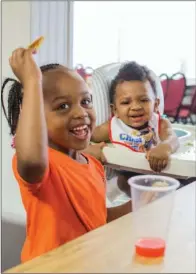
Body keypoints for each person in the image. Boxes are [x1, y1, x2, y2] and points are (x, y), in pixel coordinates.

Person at [1, 47, 131, 263]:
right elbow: (32, 159)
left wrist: (143, 201)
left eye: (86, 101)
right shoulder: (42, 165)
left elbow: (99, 220)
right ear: (35, 117)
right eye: (62, 106)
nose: (80, 113)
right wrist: (31, 82)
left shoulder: (93, 165)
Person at [91, 61, 179, 195]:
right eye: (126, 102)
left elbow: (173, 138)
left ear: (155, 104)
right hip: (129, 178)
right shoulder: (112, 127)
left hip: (159, 174)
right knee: (123, 180)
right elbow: (89, 136)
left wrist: (165, 147)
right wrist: (88, 148)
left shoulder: (159, 123)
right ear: (115, 110)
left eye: (144, 100)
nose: (136, 107)